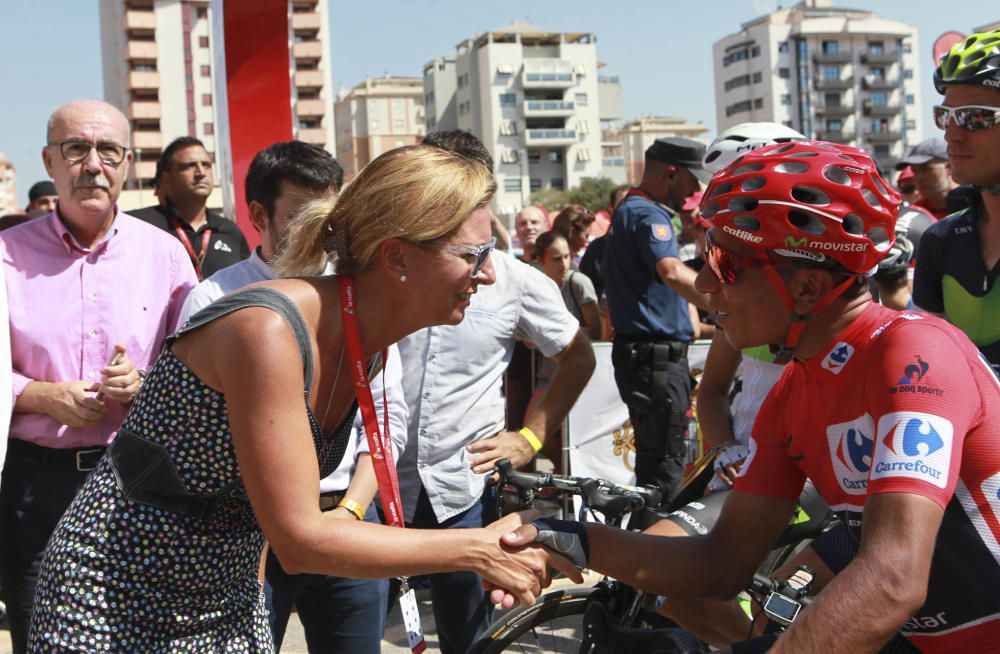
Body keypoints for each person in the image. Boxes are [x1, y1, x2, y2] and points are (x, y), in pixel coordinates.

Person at [26, 144, 574, 653]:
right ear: (398, 258)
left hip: (223, 590)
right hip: (115, 598)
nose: (489, 273)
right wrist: (475, 547)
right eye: (474, 253)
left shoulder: (365, 339)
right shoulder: (268, 329)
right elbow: (300, 541)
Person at [505, 139, 1000, 653]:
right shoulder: (797, 387)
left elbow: (893, 578)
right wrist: (572, 537)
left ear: (808, 286)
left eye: (726, 262)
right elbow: (723, 562)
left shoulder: (914, 353)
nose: (705, 283)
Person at [178, 140, 403, 654]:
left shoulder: (361, 297)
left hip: (347, 515)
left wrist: (349, 512)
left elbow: (386, 419)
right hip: (245, 533)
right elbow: (197, 430)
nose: (322, 232)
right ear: (258, 213)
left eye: (331, 215)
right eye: (303, 215)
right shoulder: (216, 299)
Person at [0, 99, 198, 654]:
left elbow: (199, 368)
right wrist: (41, 395)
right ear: (49, 160)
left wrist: (146, 384)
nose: (93, 164)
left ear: (127, 163)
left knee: (144, 638)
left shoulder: (166, 257)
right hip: (37, 489)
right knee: (44, 637)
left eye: (108, 150)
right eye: (76, 149)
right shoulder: (5, 255)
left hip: (138, 484)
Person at [395, 141, 596, 654]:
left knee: (472, 640)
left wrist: (529, 437)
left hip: (461, 483)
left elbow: (577, 356)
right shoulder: (386, 267)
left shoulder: (512, 279)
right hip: (377, 486)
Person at [602, 136, 712, 504]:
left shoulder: (631, 210)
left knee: (656, 467)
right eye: (692, 180)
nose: (695, 190)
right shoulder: (648, 215)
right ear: (670, 173)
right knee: (665, 474)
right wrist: (728, 305)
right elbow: (672, 272)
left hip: (648, 361)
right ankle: (654, 553)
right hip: (656, 363)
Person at [914, 28, 1000, 376]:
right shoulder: (941, 240)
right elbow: (926, 372)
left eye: (974, 117)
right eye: (945, 116)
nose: (951, 133)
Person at [131, 136, 250, 279]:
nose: (201, 173)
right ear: (166, 178)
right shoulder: (139, 225)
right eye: (189, 166)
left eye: (206, 165)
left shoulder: (231, 232)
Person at [894, 137, 970, 220]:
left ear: (949, 167)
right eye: (914, 171)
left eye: (925, 169)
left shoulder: (977, 204)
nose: (918, 178)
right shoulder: (913, 215)